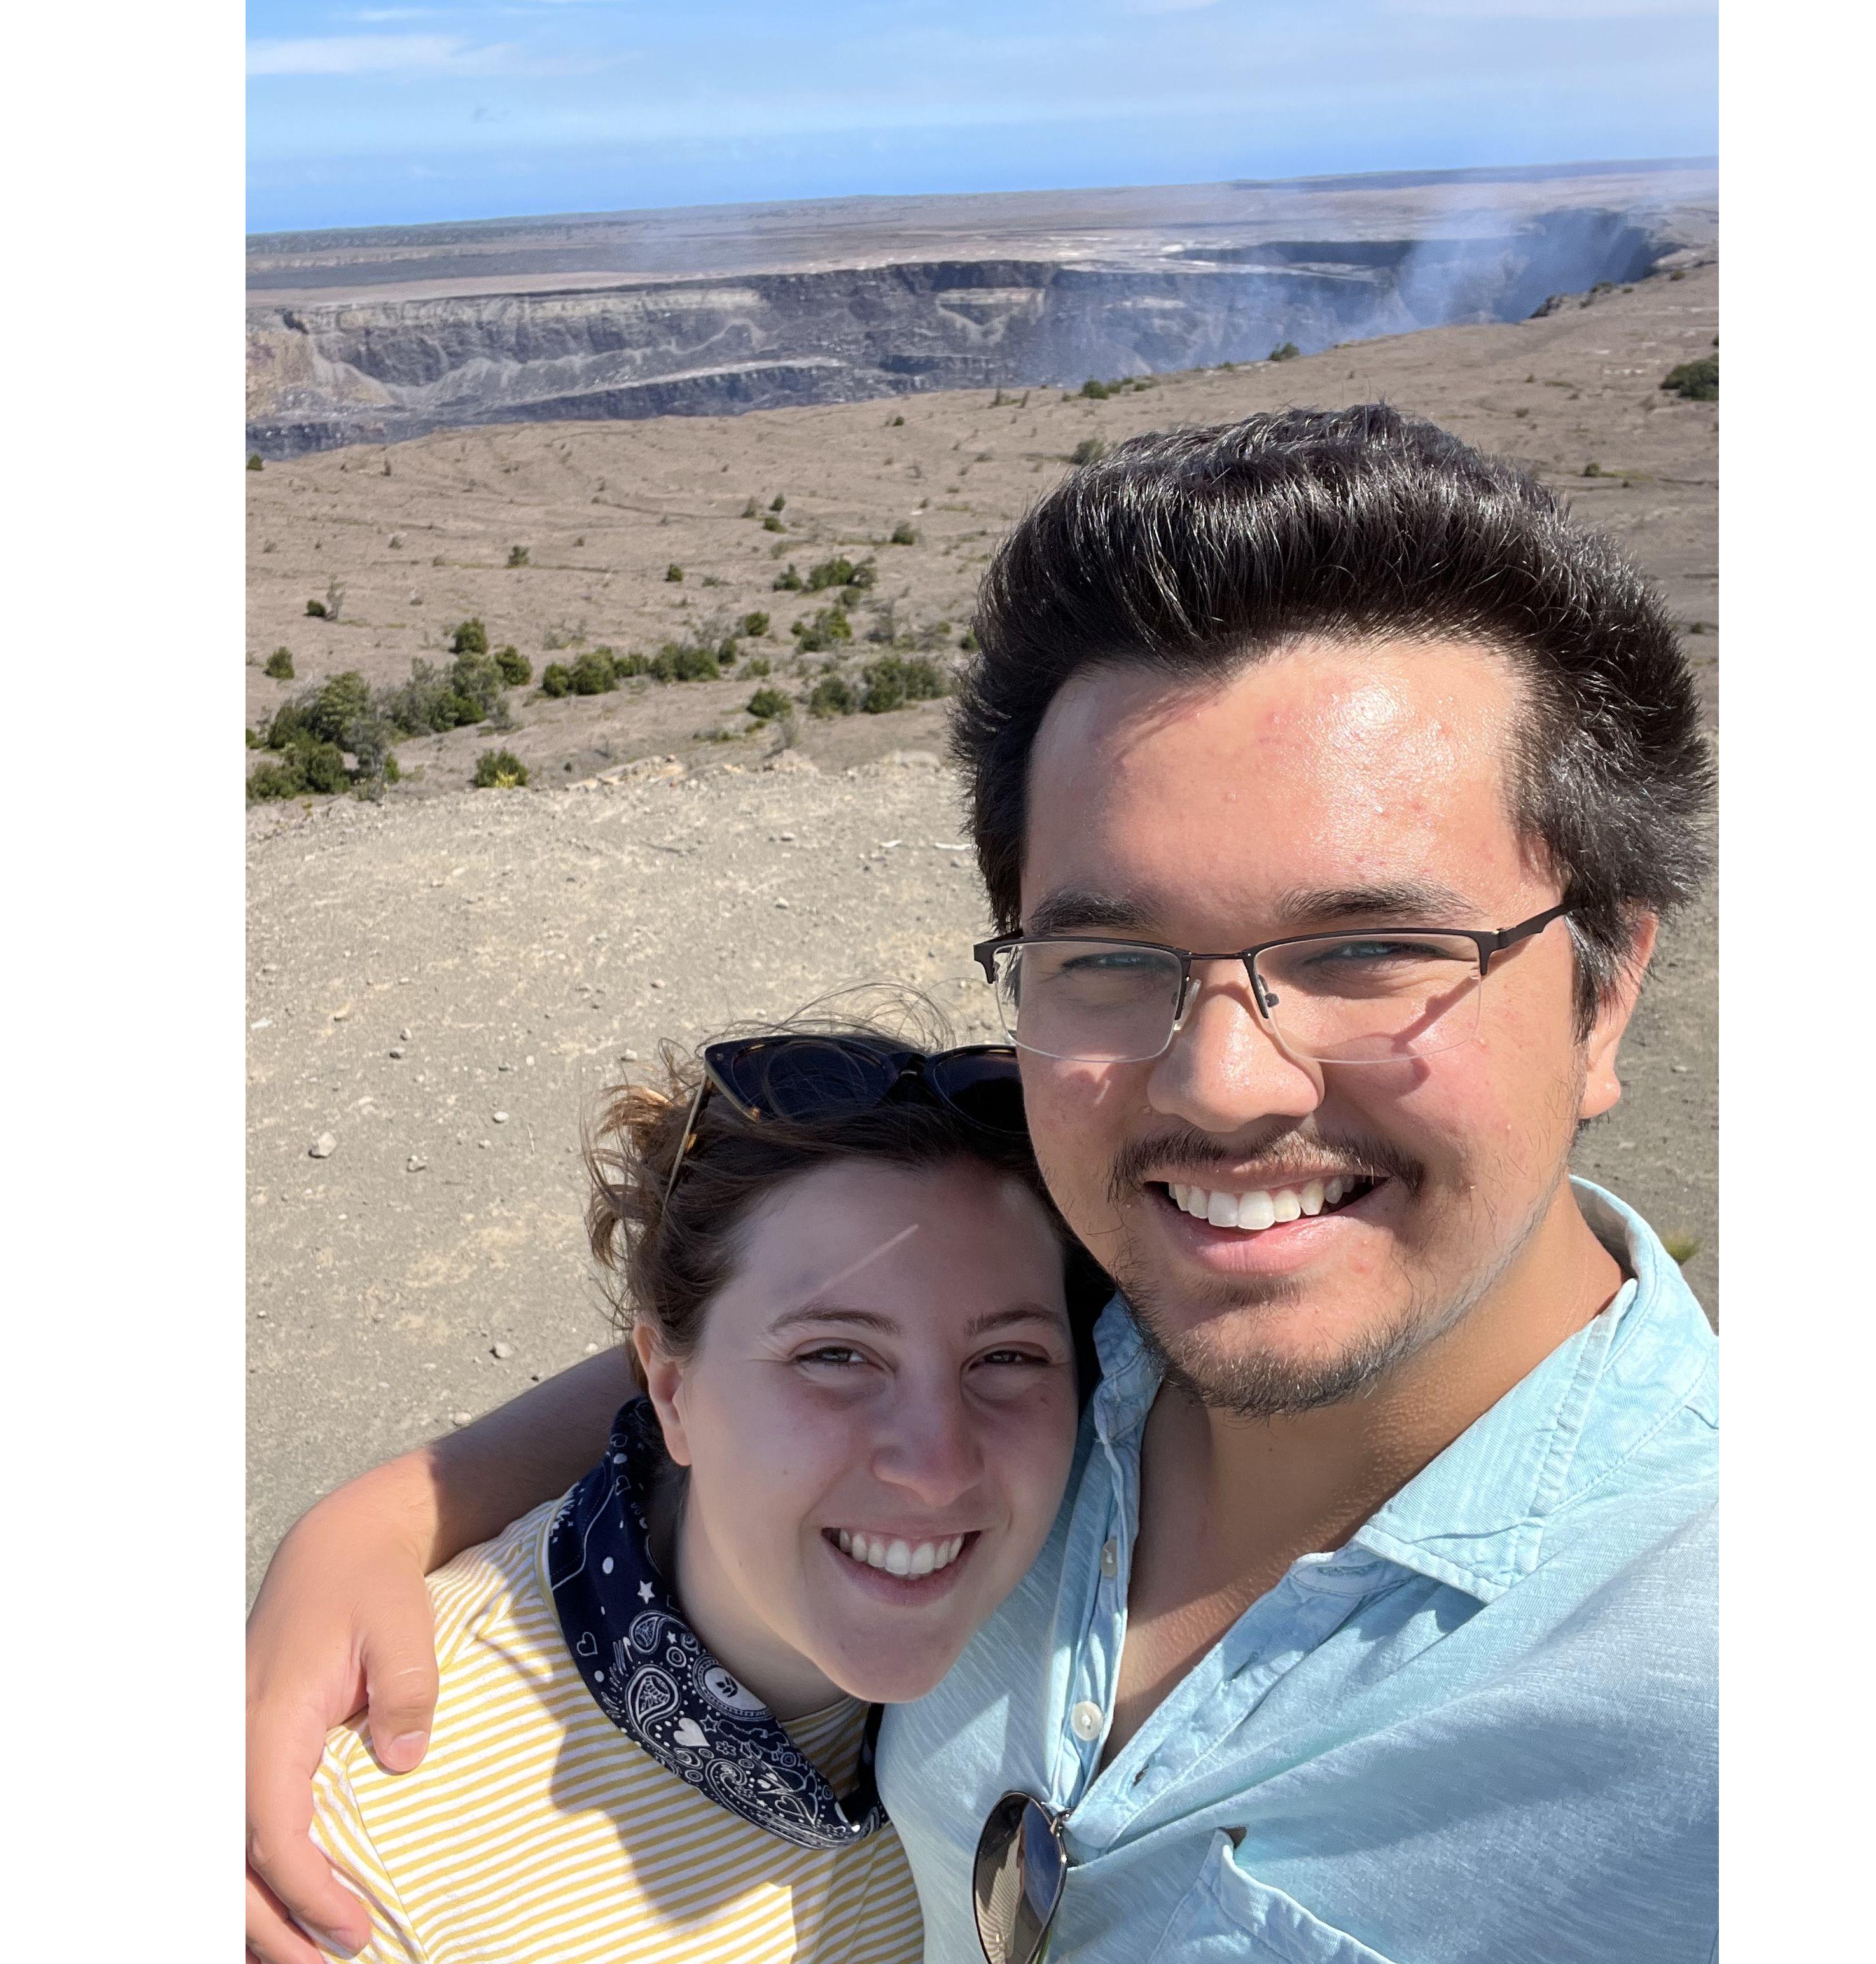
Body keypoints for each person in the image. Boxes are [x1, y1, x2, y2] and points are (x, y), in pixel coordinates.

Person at [248, 404, 1717, 1964]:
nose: (1219, 1081)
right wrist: (378, 1517)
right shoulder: (1072, 1336)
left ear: (1603, 986)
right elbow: (739, 1352)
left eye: (1366, 948)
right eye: (1107, 957)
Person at [263, 1024, 1095, 1964]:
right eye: (834, 1355)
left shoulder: (1090, 1571)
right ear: (669, 1387)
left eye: (1008, 1357)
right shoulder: (357, 1845)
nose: (938, 1466)